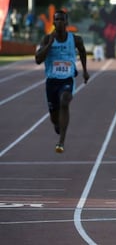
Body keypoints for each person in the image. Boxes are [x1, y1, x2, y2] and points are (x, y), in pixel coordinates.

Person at [35, 10, 89, 153]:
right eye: (57, 20)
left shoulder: (76, 39)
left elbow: (83, 52)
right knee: (54, 118)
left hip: (67, 79)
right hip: (52, 82)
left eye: (62, 20)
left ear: (66, 23)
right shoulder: (47, 39)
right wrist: (49, 45)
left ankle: (61, 142)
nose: (59, 22)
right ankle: (58, 126)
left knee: (65, 101)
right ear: (53, 23)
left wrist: (85, 71)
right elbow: (38, 60)